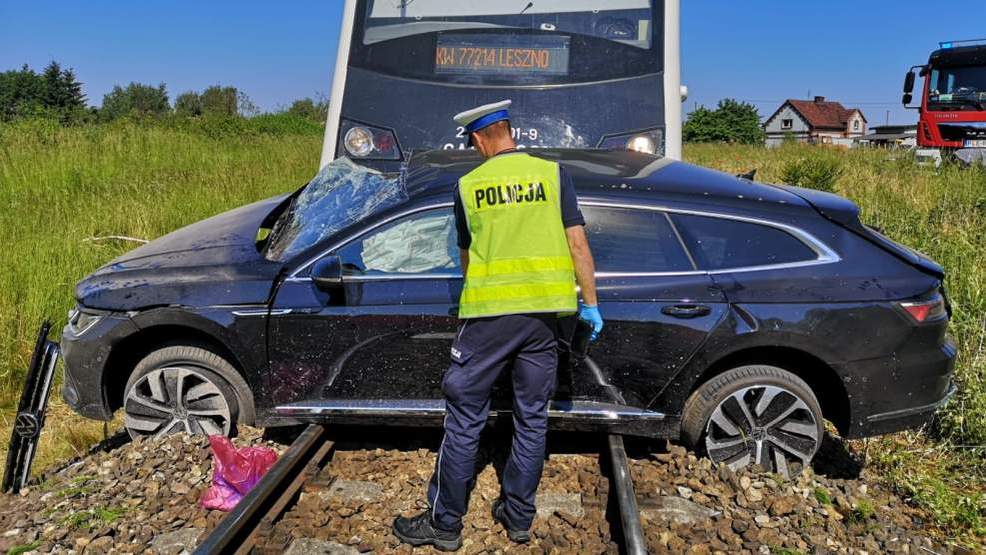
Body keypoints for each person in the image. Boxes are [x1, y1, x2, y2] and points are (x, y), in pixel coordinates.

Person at [392, 100, 603, 551]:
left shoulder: (469, 186)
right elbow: (577, 243)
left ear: (478, 138)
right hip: (546, 318)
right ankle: (518, 517)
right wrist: (590, 304)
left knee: (465, 416)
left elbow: (466, 257)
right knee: (532, 419)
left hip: (488, 320)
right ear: (510, 132)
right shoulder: (552, 174)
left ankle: (444, 524)